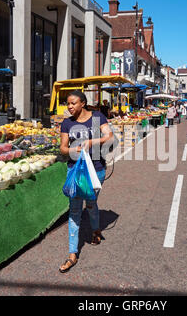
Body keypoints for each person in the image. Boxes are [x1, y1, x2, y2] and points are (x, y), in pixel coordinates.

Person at [59, 91, 114, 274]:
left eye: (73, 103)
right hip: (74, 170)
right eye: (68, 104)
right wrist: (72, 149)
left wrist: (91, 142)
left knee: (91, 203)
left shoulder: (97, 117)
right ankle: (72, 253)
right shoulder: (67, 122)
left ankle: (96, 230)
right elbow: (63, 148)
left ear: (83, 103)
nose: (69, 107)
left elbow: (109, 136)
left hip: (96, 169)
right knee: (74, 210)